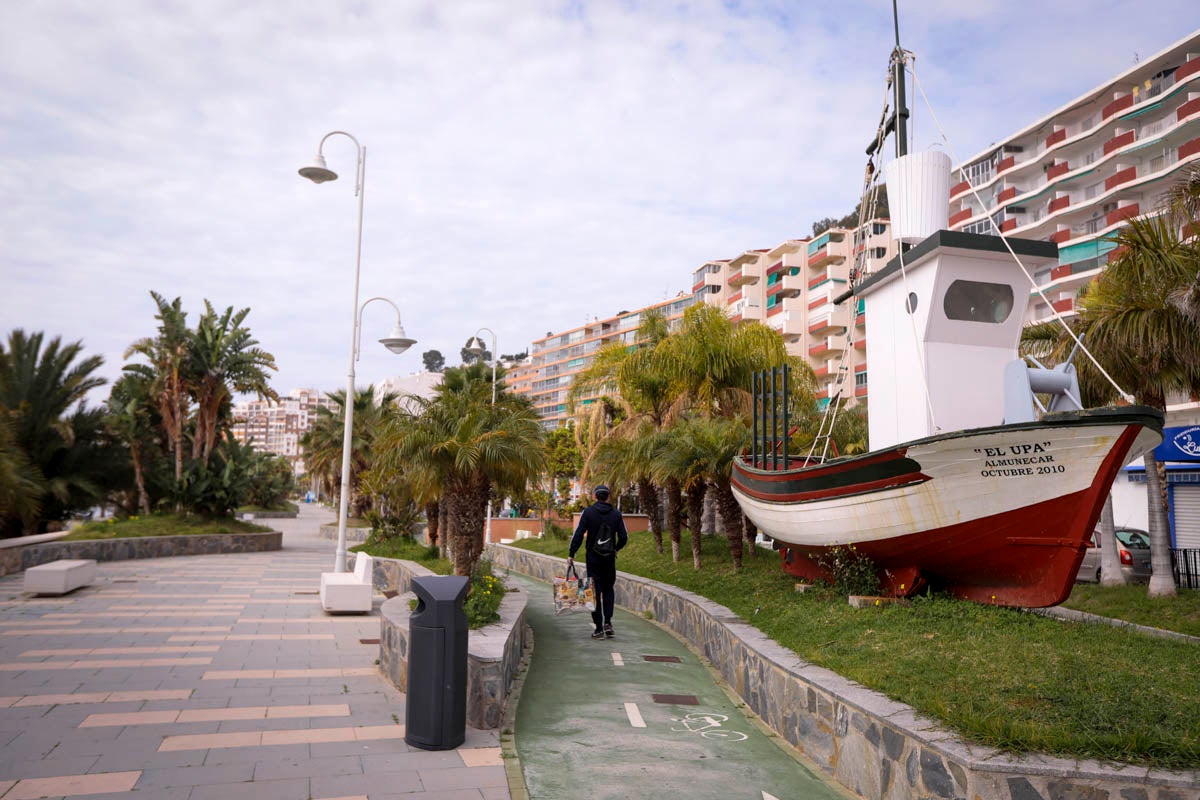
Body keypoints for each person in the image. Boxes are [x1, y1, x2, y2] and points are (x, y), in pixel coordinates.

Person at [568, 485, 628, 639]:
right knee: (608, 589)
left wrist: (572, 553)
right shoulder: (616, 514)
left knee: (594, 592)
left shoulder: (588, 513)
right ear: (608, 496)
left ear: (595, 496)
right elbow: (623, 537)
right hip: (609, 559)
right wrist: (615, 549)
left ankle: (599, 629)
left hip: (593, 559)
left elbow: (579, 534)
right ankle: (608, 622)